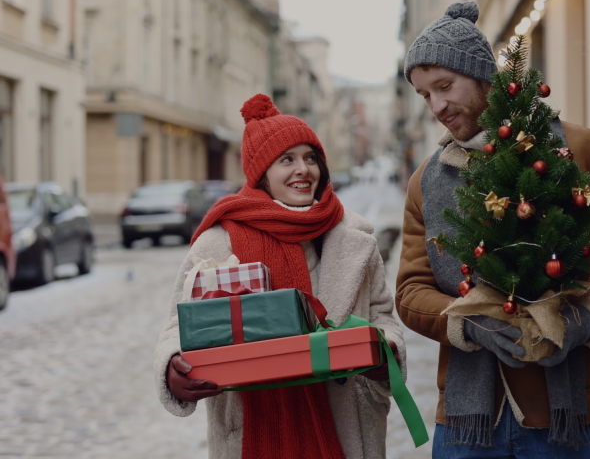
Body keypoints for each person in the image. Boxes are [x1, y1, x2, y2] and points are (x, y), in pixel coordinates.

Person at [396, 1, 590, 458]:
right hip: (467, 423)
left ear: (482, 77)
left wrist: (585, 319)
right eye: (425, 95)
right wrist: (469, 323)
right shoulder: (426, 181)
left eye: (445, 86)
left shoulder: (581, 149)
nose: (437, 106)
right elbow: (410, 290)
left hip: (563, 415)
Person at [153, 94, 405, 459]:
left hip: (346, 424)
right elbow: (178, 328)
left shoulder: (354, 238)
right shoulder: (217, 243)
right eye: (287, 159)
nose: (303, 169)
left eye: (310, 158)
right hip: (251, 432)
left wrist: (386, 352)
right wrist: (173, 369)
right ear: (262, 174)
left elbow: (383, 316)